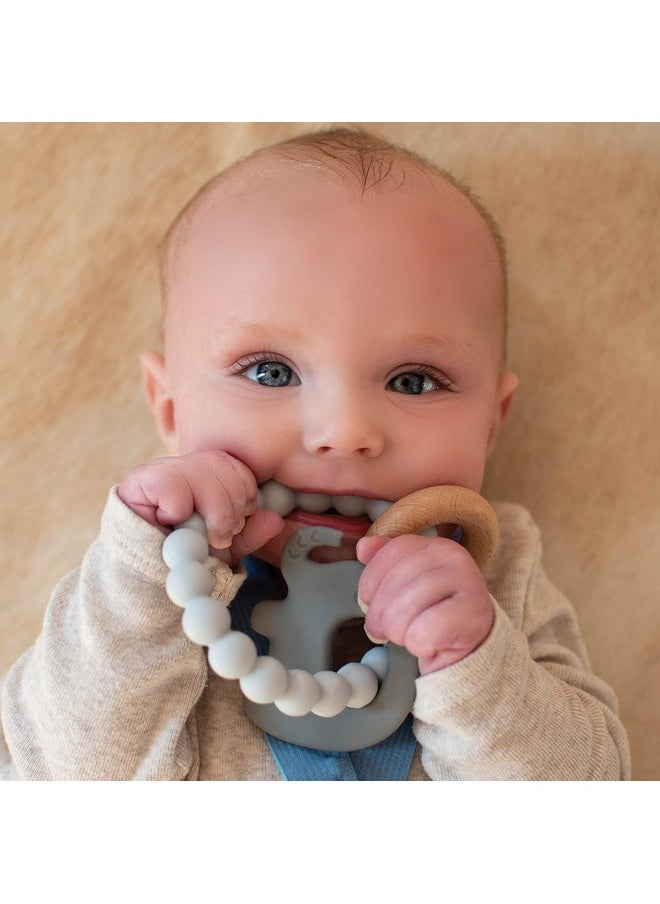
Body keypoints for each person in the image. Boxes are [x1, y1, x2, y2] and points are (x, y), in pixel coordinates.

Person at [0, 128, 630, 780]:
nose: (345, 431)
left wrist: (475, 666)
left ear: (491, 426)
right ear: (169, 408)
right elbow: (61, 778)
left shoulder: (499, 578)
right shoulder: (138, 589)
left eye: (413, 381)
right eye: (271, 372)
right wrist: (139, 571)